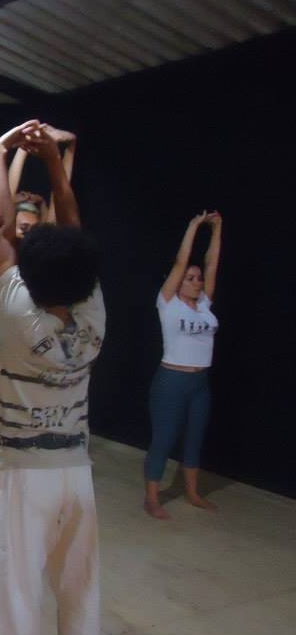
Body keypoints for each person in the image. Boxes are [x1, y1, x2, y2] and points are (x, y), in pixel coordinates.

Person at [0, 121, 104, 635]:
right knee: (81, 587)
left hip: (25, 477)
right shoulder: (94, 316)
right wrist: (55, 160)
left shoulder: (15, 311)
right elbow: (73, 231)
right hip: (77, 473)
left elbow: (2, 226)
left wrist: (2, 151)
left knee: (14, 598)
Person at [0, 126, 75, 439]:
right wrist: (18, 150)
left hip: (38, 368)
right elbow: (2, 212)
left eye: (32, 227)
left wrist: (68, 151)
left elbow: (60, 212)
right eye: (21, 225)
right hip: (7, 365)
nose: (26, 230)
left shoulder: (41, 265)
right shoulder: (0, 262)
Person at [143, 210, 222, 519]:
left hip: (199, 383)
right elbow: (180, 262)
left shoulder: (204, 305)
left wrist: (217, 229)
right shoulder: (168, 304)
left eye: (198, 278)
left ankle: (192, 492)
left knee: (195, 438)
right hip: (172, 381)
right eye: (190, 278)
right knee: (164, 439)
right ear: (177, 283)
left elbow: (212, 263)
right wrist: (194, 226)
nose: (197, 282)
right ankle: (152, 498)